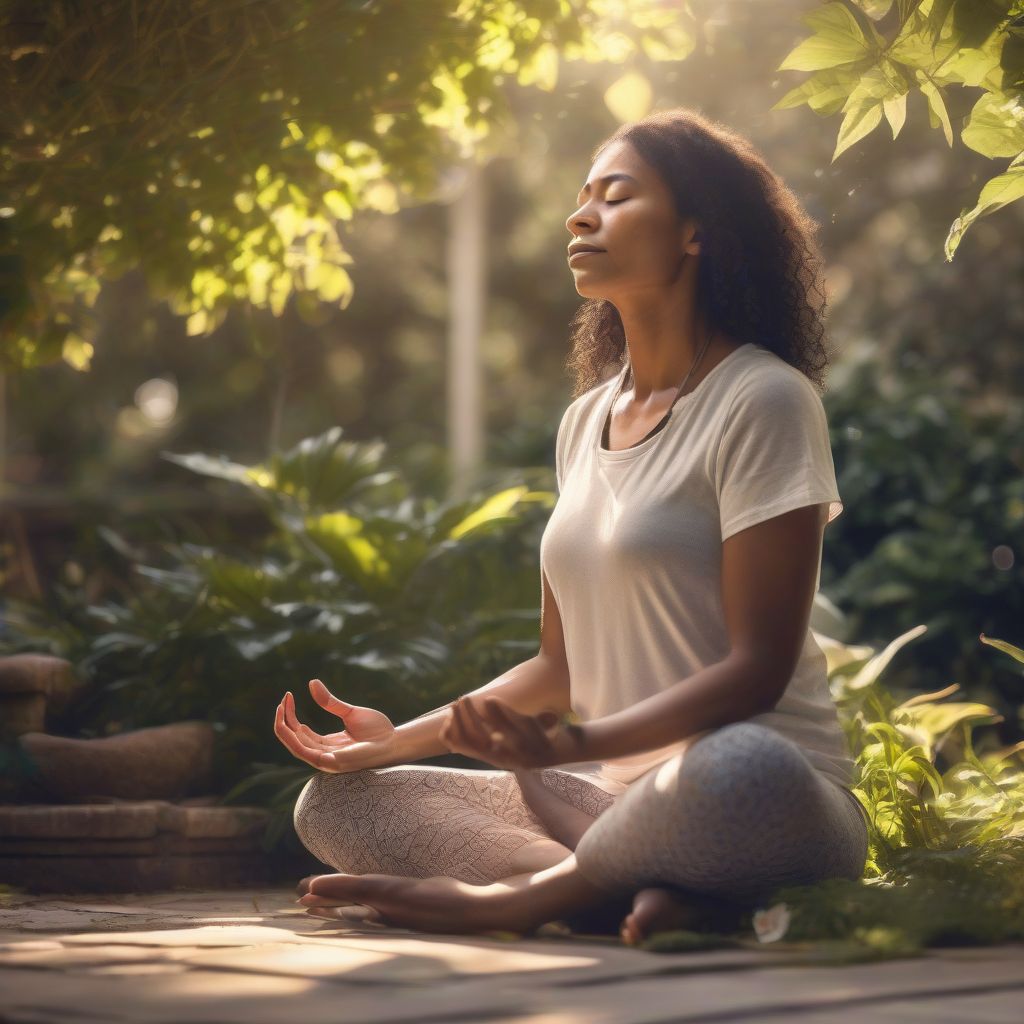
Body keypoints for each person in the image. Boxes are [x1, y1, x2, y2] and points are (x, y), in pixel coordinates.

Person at [274, 107, 869, 944]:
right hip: (608, 799)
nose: (579, 214)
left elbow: (757, 672)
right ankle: (634, 894)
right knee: (338, 800)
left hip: (767, 797)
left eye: (616, 197)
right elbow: (561, 664)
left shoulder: (763, 398)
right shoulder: (583, 421)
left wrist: (563, 748)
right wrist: (394, 739)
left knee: (741, 763)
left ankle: (525, 898)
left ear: (695, 232)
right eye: (582, 195)